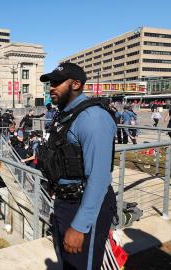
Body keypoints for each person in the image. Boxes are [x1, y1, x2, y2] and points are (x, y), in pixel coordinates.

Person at [37, 63, 117, 270]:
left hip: (84, 204)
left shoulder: (93, 118)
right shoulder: (65, 115)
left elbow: (99, 179)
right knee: (68, 263)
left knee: (82, 265)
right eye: (50, 83)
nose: (51, 87)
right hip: (65, 202)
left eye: (57, 82)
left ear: (76, 84)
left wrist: (80, 226)